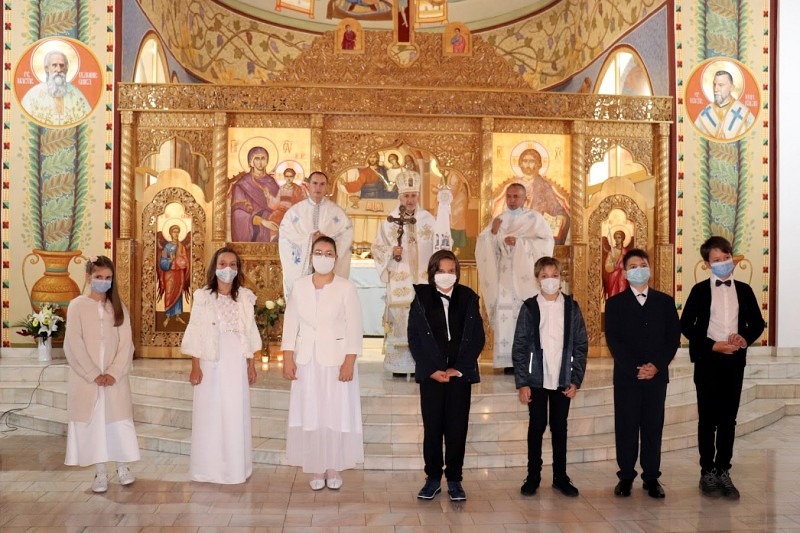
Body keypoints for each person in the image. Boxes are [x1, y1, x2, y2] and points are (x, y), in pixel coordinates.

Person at [680, 236, 765, 499]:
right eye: (716, 260)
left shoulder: (745, 290)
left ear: (732, 258)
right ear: (707, 264)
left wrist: (744, 338)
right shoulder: (699, 291)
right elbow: (686, 325)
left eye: (726, 258)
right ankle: (707, 471)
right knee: (708, 419)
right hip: (708, 360)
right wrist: (712, 346)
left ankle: (723, 469)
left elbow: (757, 323)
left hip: (734, 362)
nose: (723, 263)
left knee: (728, 419)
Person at [281, 236, 364, 490]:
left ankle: (333, 466)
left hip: (336, 360)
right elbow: (290, 323)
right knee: (311, 411)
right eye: (319, 252)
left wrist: (349, 360)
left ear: (335, 258)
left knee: (334, 411)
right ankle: (316, 466)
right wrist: (287, 357)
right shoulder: (300, 286)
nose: (323, 257)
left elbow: (355, 326)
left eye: (329, 253)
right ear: (311, 256)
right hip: (307, 359)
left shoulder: (345, 287)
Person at [407, 250, 485, 501]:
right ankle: (432, 478)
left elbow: (477, 338)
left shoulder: (468, 298)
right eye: (441, 271)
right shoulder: (421, 299)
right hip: (432, 375)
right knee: (432, 429)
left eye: (451, 271)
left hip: (458, 376)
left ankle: (454, 479)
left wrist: (458, 368)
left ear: (457, 274)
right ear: (432, 273)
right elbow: (414, 338)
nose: (446, 275)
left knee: (456, 429)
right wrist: (431, 369)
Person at [604, 248, 680, 499]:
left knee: (652, 427)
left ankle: (651, 477)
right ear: (625, 273)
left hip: (656, 377)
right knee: (626, 426)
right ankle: (626, 476)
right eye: (633, 266)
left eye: (643, 265)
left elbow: (672, 339)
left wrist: (656, 366)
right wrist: (635, 368)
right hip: (627, 377)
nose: (639, 270)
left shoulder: (665, 302)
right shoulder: (615, 304)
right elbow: (614, 341)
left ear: (650, 269)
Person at [181, 247, 261, 484]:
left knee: (234, 411)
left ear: (238, 269)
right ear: (214, 267)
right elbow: (196, 330)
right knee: (210, 412)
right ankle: (208, 468)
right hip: (210, 358)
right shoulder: (204, 297)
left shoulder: (245, 297)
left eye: (233, 265)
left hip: (236, 358)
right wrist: (196, 365)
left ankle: (236, 468)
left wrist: (251, 363)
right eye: (223, 264)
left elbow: (250, 331)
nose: (228, 269)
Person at [511, 256, 587, 498]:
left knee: (559, 427)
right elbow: (520, 346)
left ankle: (560, 477)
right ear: (537, 280)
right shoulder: (530, 307)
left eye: (554, 276)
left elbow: (581, 345)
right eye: (545, 276)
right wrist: (522, 382)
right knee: (536, 426)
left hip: (563, 377)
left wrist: (575, 379)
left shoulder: (571, 308)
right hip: (536, 379)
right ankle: (533, 476)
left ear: (561, 278)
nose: (550, 280)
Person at [63, 255, 139, 493]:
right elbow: (73, 343)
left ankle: (122, 466)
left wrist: (114, 372)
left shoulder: (118, 307)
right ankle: (100, 472)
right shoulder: (77, 306)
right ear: (88, 277)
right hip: (88, 380)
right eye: (99, 277)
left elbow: (126, 344)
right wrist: (93, 373)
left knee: (117, 422)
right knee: (95, 425)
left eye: (108, 278)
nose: (103, 282)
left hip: (115, 380)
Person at [476, 183, 554, 371]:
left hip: (526, 278)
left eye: (516, 196)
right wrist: (493, 233)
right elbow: (484, 247)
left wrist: (519, 243)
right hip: (504, 278)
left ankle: (527, 360)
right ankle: (508, 362)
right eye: (509, 196)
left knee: (526, 315)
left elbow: (546, 242)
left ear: (525, 198)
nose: (512, 200)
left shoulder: (534, 219)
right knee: (506, 315)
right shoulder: (499, 220)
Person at [372, 170, 436, 374]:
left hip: (424, 279)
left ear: (418, 196)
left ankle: (422, 363)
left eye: (413, 195)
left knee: (424, 320)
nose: (410, 200)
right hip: (401, 278)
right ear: (400, 197)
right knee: (401, 319)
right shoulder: (389, 221)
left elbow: (440, 246)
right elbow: (377, 248)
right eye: (406, 196)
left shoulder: (428, 219)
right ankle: (399, 365)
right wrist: (391, 251)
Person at [279, 171, 354, 298]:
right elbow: (286, 236)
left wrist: (326, 242)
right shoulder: (295, 212)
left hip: (328, 271)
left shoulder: (337, 213)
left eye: (322, 184)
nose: (318, 187)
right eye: (314, 183)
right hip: (304, 271)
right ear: (308, 185)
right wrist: (309, 240)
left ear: (327, 187)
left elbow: (346, 234)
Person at [492, 148, 571, 244]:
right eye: (525, 161)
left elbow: (556, 209)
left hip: (537, 234)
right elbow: (504, 212)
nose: (528, 164)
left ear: (538, 164)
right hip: (515, 231)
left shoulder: (544, 186)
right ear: (520, 164)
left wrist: (560, 217)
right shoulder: (513, 186)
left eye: (532, 161)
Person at [21, 50, 91, 126]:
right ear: (47, 68)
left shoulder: (76, 94)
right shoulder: (33, 95)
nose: (58, 70)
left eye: (62, 65)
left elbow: (87, 123)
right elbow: (25, 124)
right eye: (54, 65)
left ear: (66, 69)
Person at [230, 146, 281, 242]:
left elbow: (279, 207)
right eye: (257, 158)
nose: (260, 162)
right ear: (251, 162)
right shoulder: (242, 184)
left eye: (263, 158)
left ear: (267, 161)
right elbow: (238, 214)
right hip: (254, 230)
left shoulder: (272, 182)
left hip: (273, 226)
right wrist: (262, 221)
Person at [694, 70, 755, 140]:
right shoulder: (705, 113)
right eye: (714, 84)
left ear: (731, 88)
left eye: (720, 85)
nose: (715, 89)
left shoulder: (744, 113)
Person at [158, 224, 190, 327]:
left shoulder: (182, 247)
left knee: (178, 293)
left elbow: (185, 260)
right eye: (174, 232)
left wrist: (178, 260)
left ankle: (177, 315)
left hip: (179, 273)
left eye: (177, 232)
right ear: (171, 234)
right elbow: (162, 262)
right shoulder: (167, 247)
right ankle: (167, 316)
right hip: (169, 274)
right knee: (169, 293)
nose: (176, 234)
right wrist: (170, 260)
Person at [603, 229, 630, 299]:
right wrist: (613, 265)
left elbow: (630, 265)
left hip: (622, 278)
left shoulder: (626, 252)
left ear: (623, 239)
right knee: (613, 295)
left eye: (619, 237)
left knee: (622, 295)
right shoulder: (611, 252)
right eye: (615, 238)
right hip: (613, 276)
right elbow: (607, 266)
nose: (617, 240)